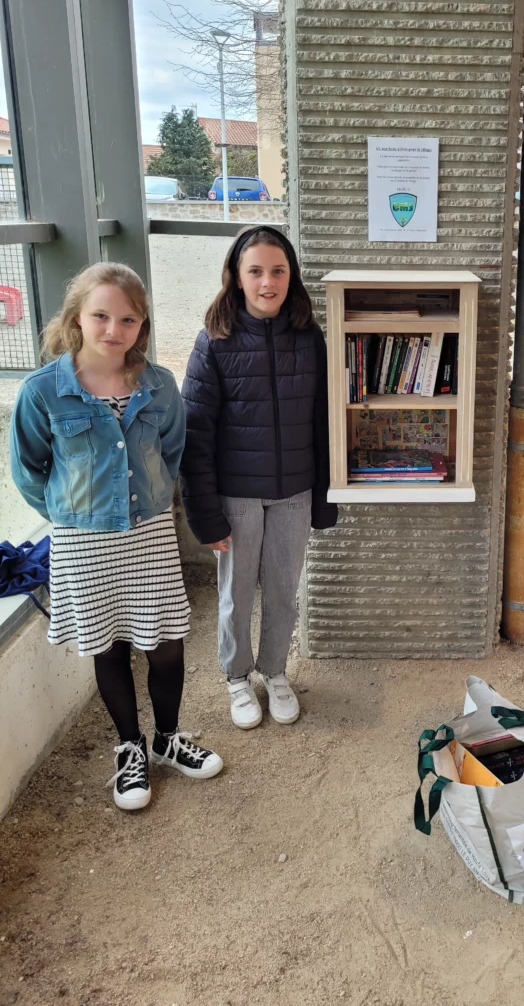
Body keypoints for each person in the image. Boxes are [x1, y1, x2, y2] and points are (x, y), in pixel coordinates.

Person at [9, 263, 223, 811]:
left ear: (142, 325)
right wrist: (72, 514)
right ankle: (130, 747)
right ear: (77, 317)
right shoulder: (42, 391)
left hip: (149, 534)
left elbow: (171, 454)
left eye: (128, 319)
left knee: (167, 645)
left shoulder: (160, 386)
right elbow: (29, 470)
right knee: (109, 648)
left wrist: (149, 503)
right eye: (101, 315)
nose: (114, 329)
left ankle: (167, 739)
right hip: (83, 543)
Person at [180, 226, 337, 731]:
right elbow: (195, 435)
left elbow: (324, 422)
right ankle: (236, 676)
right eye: (255, 271)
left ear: (291, 276)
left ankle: (275, 671)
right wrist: (205, 514)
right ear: (236, 276)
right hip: (237, 497)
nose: (267, 282)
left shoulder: (310, 338)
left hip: (295, 491)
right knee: (237, 593)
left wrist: (324, 496)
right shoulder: (214, 342)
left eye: (278, 271)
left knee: (284, 592)